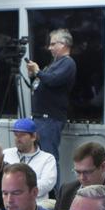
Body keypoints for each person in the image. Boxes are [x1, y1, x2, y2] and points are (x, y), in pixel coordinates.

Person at [25, 28, 75, 170]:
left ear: (64, 44)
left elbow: (53, 80)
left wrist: (38, 71)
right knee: (39, 160)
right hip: (41, 118)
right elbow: (41, 84)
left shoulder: (68, 63)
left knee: (48, 160)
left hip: (50, 119)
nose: (49, 48)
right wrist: (33, 75)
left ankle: (53, 193)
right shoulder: (54, 64)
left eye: (53, 44)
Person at [54, 142, 105, 210]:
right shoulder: (66, 191)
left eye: (87, 172)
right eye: (78, 172)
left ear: (103, 167)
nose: (82, 178)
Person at [2, 118, 57, 196]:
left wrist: (19, 189)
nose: (18, 138)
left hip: (37, 202)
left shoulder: (47, 159)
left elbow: (46, 184)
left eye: (22, 135)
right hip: (9, 200)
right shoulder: (6, 154)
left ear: (33, 137)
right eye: (16, 135)